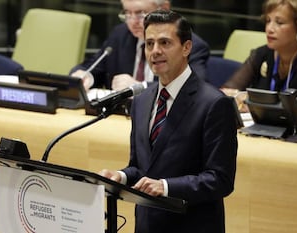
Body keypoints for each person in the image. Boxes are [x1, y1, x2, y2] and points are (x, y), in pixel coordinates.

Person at [99, 10, 237, 233]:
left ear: (186, 48)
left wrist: (165, 186)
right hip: (147, 225)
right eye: (149, 43)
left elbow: (220, 179)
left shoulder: (214, 104)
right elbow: (142, 166)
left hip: (191, 225)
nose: (155, 51)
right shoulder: (142, 101)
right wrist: (121, 177)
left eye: (165, 42)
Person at [222, 0, 297, 118]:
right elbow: (225, 94)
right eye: (268, 21)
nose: (269, 29)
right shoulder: (262, 54)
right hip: (267, 130)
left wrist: (255, 104)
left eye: (279, 22)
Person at [69, 0, 210, 91]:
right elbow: (94, 66)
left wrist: (140, 88)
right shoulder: (121, 34)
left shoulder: (189, 45)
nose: (133, 21)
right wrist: (85, 76)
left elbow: (191, 88)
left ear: (165, 9)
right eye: (127, 13)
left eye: (141, 13)